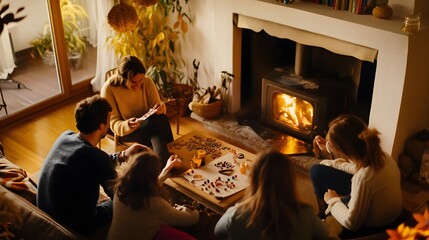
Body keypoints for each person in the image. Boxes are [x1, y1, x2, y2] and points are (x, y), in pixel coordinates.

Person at [37, 94, 147, 236]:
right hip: (74, 226)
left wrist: (122, 155)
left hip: (47, 213)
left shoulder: (66, 136)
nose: (108, 123)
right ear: (101, 126)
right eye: (108, 120)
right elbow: (121, 196)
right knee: (133, 202)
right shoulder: (96, 158)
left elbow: (91, 159)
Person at [310, 115, 403, 233]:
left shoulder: (363, 178)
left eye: (331, 145)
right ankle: (326, 214)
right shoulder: (381, 156)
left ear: (342, 150)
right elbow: (355, 167)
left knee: (316, 173)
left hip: (376, 225)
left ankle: (326, 216)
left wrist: (333, 201)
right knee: (317, 170)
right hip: (388, 211)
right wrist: (331, 162)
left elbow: (351, 223)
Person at [214, 149, 329, 240]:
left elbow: (217, 233)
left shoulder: (235, 214)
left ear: (253, 179)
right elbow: (324, 235)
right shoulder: (306, 214)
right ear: (290, 181)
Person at [107, 150, 199, 240]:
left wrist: (166, 170)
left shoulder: (120, 188)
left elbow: (145, 186)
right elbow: (191, 219)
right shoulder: (156, 204)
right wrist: (190, 209)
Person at [100, 55, 174, 167]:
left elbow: (158, 105)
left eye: (141, 80)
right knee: (158, 125)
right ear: (122, 78)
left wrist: (160, 108)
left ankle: (163, 163)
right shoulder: (109, 89)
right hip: (127, 130)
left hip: (149, 125)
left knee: (159, 121)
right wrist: (128, 125)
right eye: (134, 82)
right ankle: (166, 162)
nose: (139, 85)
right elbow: (114, 124)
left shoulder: (147, 82)